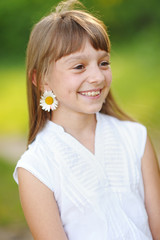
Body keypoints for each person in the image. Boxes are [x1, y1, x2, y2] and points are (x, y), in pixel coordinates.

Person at [13, 0, 160, 239]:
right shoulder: (37, 168)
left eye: (103, 63)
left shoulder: (135, 138)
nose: (97, 77)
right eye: (79, 66)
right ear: (41, 80)